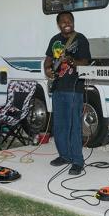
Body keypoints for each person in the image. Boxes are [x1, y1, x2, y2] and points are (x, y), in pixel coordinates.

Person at [43, 11, 91, 175]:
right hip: (58, 88)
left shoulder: (80, 39)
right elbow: (48, 59)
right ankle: (64, 155)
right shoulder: (54, 40)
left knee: (74, 126)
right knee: (59, 126)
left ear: (73, 21)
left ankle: (77, 161)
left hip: (73, 88)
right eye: (63, 21)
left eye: (69, 20)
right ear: (59, 24)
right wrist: (47, 70)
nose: (67, 23)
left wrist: (71, 60)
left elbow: (85, 62)